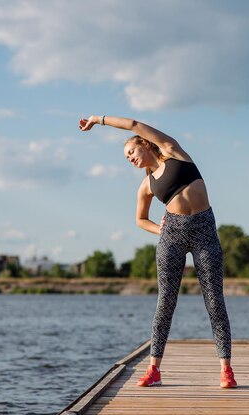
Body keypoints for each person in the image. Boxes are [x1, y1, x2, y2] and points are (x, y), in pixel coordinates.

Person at [79, 115, 237, 389]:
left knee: (214, 301)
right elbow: (140, 219)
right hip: (172, 236)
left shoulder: (173, 152)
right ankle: (154, 370)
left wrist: (98, 120)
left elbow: (133, 124)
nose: (129, 158)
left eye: (130, 152)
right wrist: (160, 229)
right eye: (126, 158)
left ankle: (226, 370)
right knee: (165, 302)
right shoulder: (147, 185)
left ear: (144, 144)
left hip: (204, 232)